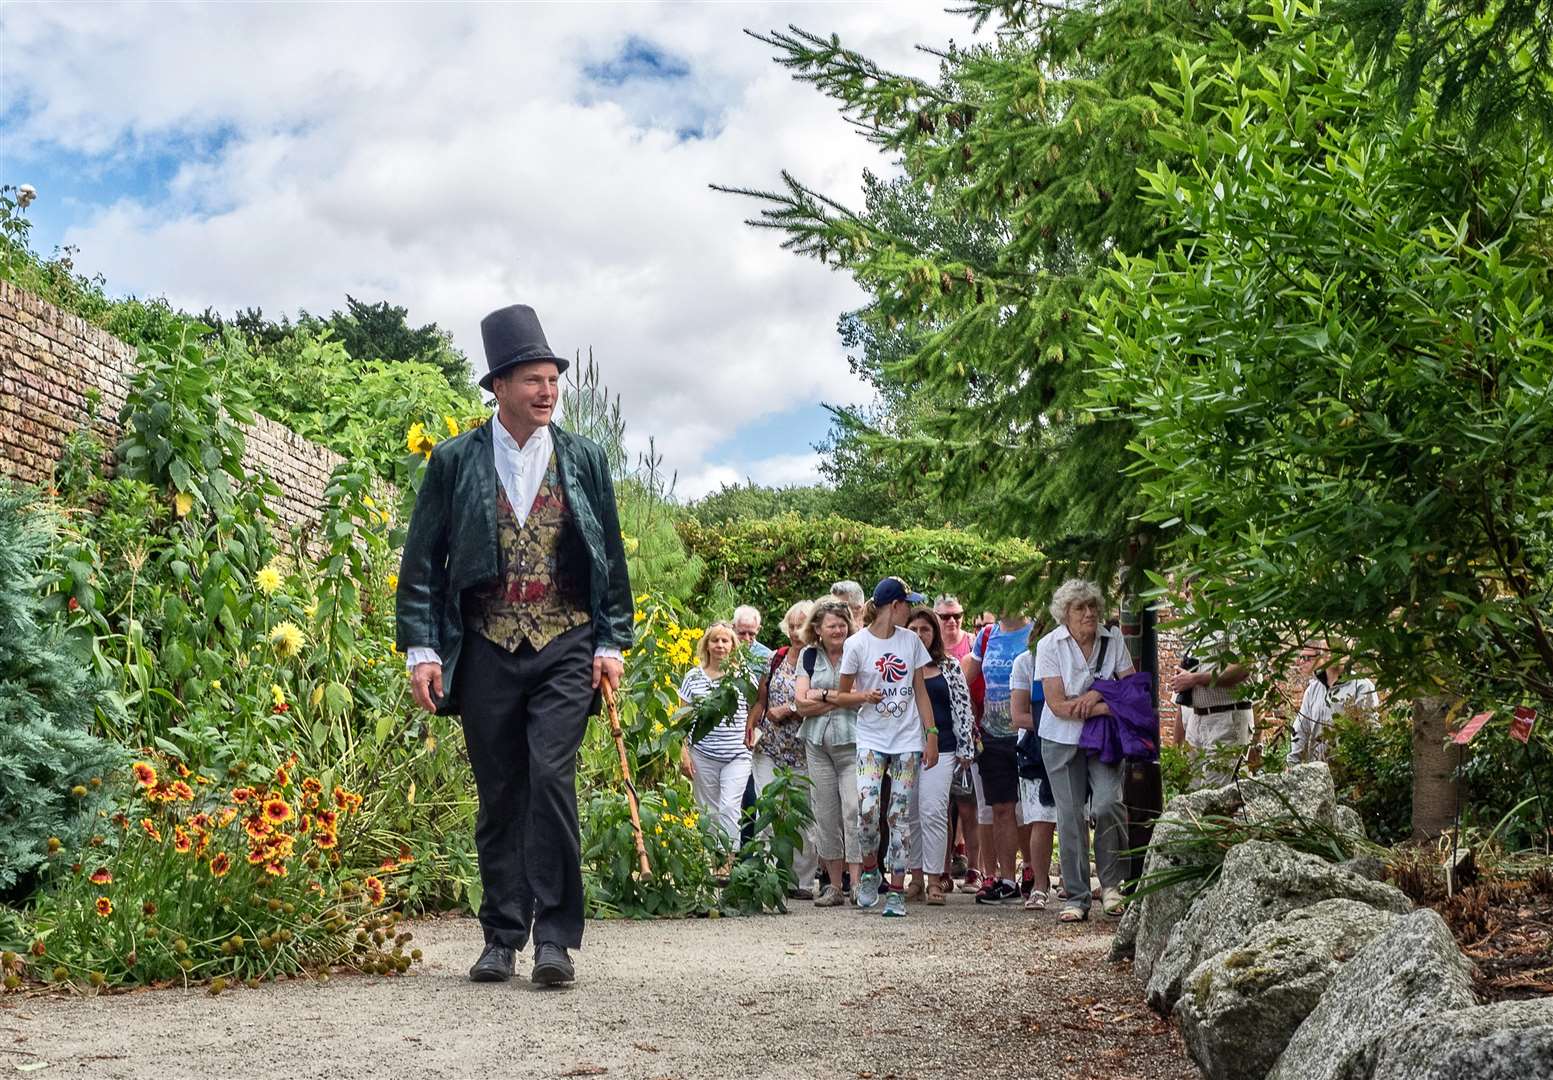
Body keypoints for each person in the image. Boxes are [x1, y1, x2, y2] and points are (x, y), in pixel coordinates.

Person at [397, 303, 631, 987]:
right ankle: (501, 935)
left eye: (552, 379)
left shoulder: (583, 458)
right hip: (485, 644)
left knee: (551, 781)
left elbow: (609, 560)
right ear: (497, 387)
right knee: (499, 793)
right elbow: (421, 563)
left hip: (565, 639)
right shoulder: (453, 461)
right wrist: (423, 650)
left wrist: (610, 639)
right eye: (531, 379)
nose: (547, 390)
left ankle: (553, 938)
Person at [1035, 579, 1136, 922]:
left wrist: (1095, 697)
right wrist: (1107, 702)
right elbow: (1058, 705)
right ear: (1065, 614)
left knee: (1109, 802)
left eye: (1093, 606)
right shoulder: (1050, 645)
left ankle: (1112, 886)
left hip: (1104, 738)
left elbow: (1132, 687)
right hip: (1060, 739)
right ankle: (1076, 896)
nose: (1089, 613)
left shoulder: (1113, 640)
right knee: (1071, 815)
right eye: (1080, 608)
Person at [838, 577, 937, 917]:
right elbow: (842, 694)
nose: (911, 610)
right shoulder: (858, 645)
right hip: (871, 738)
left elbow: (920, 691)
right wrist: (864, 696)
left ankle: (896, 888)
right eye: (907, 604)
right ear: (894, 606)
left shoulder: (911, 642)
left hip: (907, 738)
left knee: (898, 814)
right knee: (866, 809)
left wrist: (931, 734)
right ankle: (869, 870)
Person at [746, 599, 819, 898]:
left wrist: (789, 708)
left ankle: (800, 882)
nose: (794, 631)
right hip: (770, 749)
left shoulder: (819, 661)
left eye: (800, 625)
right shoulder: (775, 658)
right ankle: (765, 877)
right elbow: (761, 700)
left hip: (804, 749)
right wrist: (750, 727)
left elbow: (822, 701)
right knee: (768, 809)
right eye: (790, 625)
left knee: (802, 816)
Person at [905, 606, 975, 904]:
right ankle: (916, 878)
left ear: (934, 633)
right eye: (914, 629)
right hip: (906, 748)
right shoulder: (900, 665)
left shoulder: (949, 665)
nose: (920, 634)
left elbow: (963, 706)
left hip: (944, 747)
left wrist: (965, 748)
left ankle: (936, 879)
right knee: (910, 816)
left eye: (925, 629)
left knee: (933, 811)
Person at [963, 606, 1033, 906]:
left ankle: (1033, 871)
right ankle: (1007, 878)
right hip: (992, 733)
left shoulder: (1035, 634)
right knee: (1001, 808)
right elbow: (966, 678)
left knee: (1030, 807)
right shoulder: (986, 636)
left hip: (1027, 732)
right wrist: (967, 718)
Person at [794, 598, 862, 907]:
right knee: (825, 814)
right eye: (831, 625)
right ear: (818, 629)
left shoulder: (857, 650)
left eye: (842, 624)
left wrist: (820, 695)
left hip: (853, 742)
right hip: (817, 743)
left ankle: (858, 884)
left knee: (853, 811)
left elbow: (862, 699)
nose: (837, 629)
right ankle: (834, 886)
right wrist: (840, 698)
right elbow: (799, 704)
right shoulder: (808, 656)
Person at [678, 621, 754, 844]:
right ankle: (713, 861)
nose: (720, 645)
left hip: (737, 754)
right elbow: (682, 717)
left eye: (725, 640)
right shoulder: (693, 677)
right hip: (703, 754)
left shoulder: (743, 675)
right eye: (715, 640)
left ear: (733, 645)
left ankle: (728, 862)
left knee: (730, 806)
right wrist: (683, 752)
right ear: (707, 645)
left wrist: (751, 733)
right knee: (708, 811)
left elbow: (756, 707)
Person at [1170, 594, 1255, 787]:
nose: (1189, 598)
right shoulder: (1195, 627)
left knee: (1217, 798)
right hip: (1196, 719)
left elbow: (1242, 667)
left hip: (1227, 717)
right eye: (1188, 593)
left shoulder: (1236, 620)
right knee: (1193, 793)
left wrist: (1196, 679)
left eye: (1194, 592)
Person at [1010, 622, 1058, 911]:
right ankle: (1040, 884)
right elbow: (1018, 715)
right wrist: (1058, 723)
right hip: (1035, 749)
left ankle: (1073, 883)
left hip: (1070, 746)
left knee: (1072, 815)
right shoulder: (1025, 663)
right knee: (1040, 818)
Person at [1289, 646, 1379, 764]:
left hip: (1351, 767)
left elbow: (1370, 728)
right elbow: (1301, 727)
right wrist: (1292, 762)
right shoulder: (1313, 689)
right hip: (1317, 769)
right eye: (1325, 651)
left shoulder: (1361, 686)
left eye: (1334, 651)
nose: (1329, 655)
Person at [935, 595, 973, 661]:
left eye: (957, 616)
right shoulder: (928, 644)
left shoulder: (973, 643)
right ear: (935, 616)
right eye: (945, 616)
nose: (952, 621)